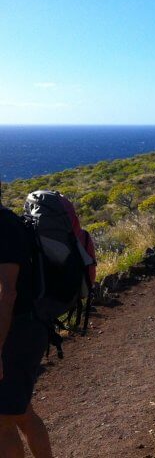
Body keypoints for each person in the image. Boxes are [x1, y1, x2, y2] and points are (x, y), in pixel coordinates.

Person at [0, 181, 54, 458]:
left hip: (16, 331)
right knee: (20, 412)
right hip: (22, 327)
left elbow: (7, 293)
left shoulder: (4, 228)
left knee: (3, 421)